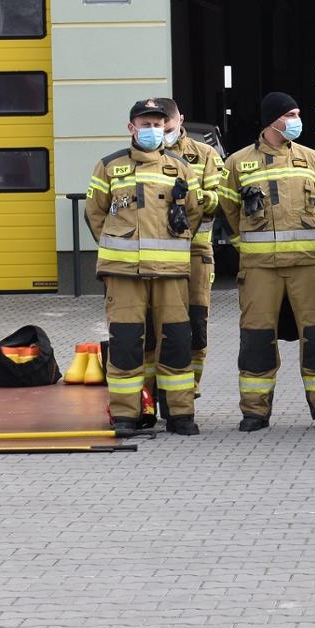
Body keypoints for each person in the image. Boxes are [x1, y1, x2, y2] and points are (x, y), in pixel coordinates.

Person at [219, 92, 315, 431]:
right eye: (289, 114)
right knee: (256, 339)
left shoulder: (311, 159)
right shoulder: (238, 163)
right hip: (260, 269)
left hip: (306, 266)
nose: (295, 120)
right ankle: (255, 412)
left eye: (297, 114)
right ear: (271, 120)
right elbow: (227, 212)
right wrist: (243, 247)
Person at [85, 99, 206, 436]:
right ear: (131, 128)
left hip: (170, 275)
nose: (153, 130)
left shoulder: (181, 168)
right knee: (125, 344)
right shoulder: (109, 166)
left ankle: (180, 413)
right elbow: (95, 213)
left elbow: (193, 213)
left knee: (177, 342)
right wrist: (117, 247)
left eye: (157, 124)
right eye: (146, 124)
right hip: (124, 275)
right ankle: (126, 414)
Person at [138, 97, 224, 425]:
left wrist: (189, 198)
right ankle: (148, 399)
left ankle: (186, 393)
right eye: (154, 127)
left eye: (167, 127)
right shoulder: (132, 160)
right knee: (148, 331)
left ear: (179, 121)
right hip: (149, 259)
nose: (161, 134)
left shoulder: (205, 156)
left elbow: (220, 201)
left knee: (194, 330)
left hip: (194, 256)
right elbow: (114, 208)